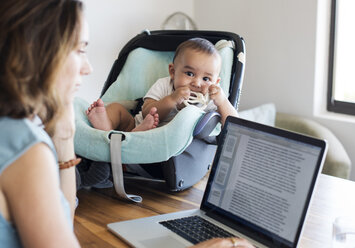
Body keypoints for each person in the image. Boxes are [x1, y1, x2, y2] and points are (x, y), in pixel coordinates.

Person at [0, 0, 253, 247]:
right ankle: (116, 131)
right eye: (79, 50)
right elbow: (149, 107)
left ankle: (113, 134)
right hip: (142, 123)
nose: (88, 67)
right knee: (120, 111)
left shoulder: (20, 134)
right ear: (37, 52)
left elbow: (62, 221)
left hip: (170, 146)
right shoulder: (26, 149)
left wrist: (65, 138)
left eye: (207, 77)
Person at [86, 37, 238, 132]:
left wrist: (222, 102)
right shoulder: (165, 85)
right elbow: (146, 112)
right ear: (173, 71)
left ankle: (138, 133)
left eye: (206, 79)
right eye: (189, 74)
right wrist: (171, 99)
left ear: (216, 82)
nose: (197, 83)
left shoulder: (210, 98)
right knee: (116, 108)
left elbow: (234, 126)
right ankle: (105, 127)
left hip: (170, 141)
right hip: (135, 126)